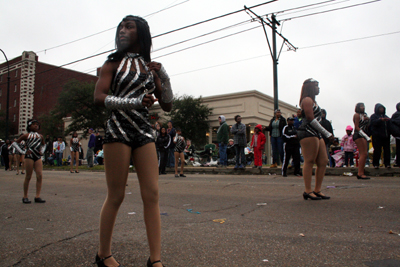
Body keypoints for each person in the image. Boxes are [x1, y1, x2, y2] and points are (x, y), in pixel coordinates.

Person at [94, 15, 172, 267]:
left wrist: (166, 77)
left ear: (142, 33)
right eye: (120, 27)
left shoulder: (150, 67)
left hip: (143, 131)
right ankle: (103, 254)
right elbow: (99, 96)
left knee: (152, 194)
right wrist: (134, 102)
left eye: (129, 26)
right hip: (117, 129)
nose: (122, 31)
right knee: (116, 195)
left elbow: (168, 104)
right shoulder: (112, 63)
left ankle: (155, 259)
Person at [297, 78, 333, 200]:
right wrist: (327, 133)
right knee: (309, 160)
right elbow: (310, 119)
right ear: (310, 87)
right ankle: (308, 190)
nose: (318, 88)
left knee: (323, 161)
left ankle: (317, 189)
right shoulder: (306, 100)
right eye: (316, 86)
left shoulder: (313, 101)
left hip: (316, 133)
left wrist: (323, 133)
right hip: (308, 132)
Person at [13, 119, 46, 204]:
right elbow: (15, 143)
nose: (36, 126)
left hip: (37, 156)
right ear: (29, 126)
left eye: (37, 124)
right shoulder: (26, 135)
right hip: (29, 156)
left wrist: (41, 151)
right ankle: (25, 196)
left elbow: (44, 144)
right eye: (34, 124)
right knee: (28, 176)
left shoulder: (40, 136)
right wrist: (23, 152)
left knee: (39, 175)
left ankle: (37, 196)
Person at [353, 102, 371, 179]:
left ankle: (361, 172)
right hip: (359, 134)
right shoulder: (357, 115)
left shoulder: (364, 115)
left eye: (363, 106)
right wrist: (366, 136)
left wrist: (368, 119)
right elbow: (356, 127)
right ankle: (360, 173)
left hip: (363, 134)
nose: (362, 107)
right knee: (363, 154)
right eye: (361, 106)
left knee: (365, 154)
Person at [370, 103, 391, 169]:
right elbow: (373, 123)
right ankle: (376, 164)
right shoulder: (373, 116)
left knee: (387, 150)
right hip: (377, 137)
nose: (381, 109)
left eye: (382, 108)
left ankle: (387, 164)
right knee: (377, 150)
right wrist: (380, 120)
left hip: (386, 136)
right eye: (380, 108)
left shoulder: (386, 116)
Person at [390, 102, 400, 167]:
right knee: (398, 149)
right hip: (398, 134)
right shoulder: (395, 115)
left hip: (397, 134)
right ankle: (398, 162)